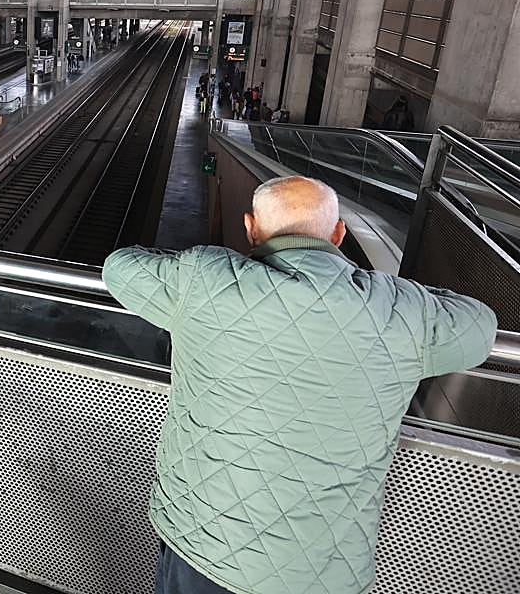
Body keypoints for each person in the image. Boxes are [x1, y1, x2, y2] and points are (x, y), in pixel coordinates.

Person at [100, 176, 496, 594]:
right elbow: (481, 326)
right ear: (339, 234)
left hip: (205, 550)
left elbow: (120, 266)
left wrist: (211, 266)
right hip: (325, 573)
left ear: (250, 227)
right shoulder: (401, 310)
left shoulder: (205, 280)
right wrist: (404, 296)